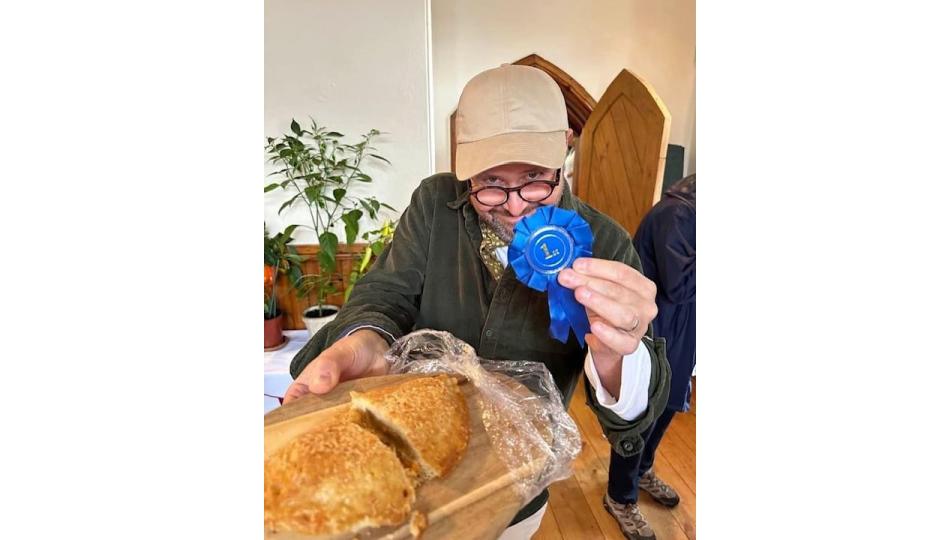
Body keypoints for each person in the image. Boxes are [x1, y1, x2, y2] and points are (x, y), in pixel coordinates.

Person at [283, 64, 671, 540]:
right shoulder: (434, 204)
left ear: (566, 147)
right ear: (463, 164)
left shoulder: (607, 244)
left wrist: (615, 355)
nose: (513, 206)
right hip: (410, 473)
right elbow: (385, 292)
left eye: (534, 178)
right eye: (489, 181)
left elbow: (634, 413)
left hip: (516, 490)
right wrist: (363, 340)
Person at [603, 174, 696, 540]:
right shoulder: (678, 214)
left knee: (670, 404)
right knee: (643, 412)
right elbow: (680, 285)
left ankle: (642, 471)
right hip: (657, 330)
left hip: (682, 328)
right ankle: (620, 496)